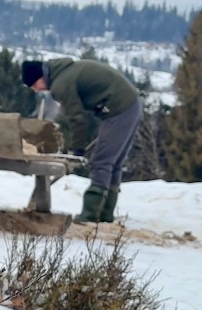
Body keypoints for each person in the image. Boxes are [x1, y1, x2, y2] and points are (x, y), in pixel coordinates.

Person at [22, 58, 142, 224]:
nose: (36, 91)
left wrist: (76, 149)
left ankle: (91, 214)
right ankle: (105, 214)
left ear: (40, 78)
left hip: (119, 109)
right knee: (112, 162)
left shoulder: (61, 85)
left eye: (34, 86)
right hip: (130, 105)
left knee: (101, 162)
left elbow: (77, 118)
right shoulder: (65, 72)